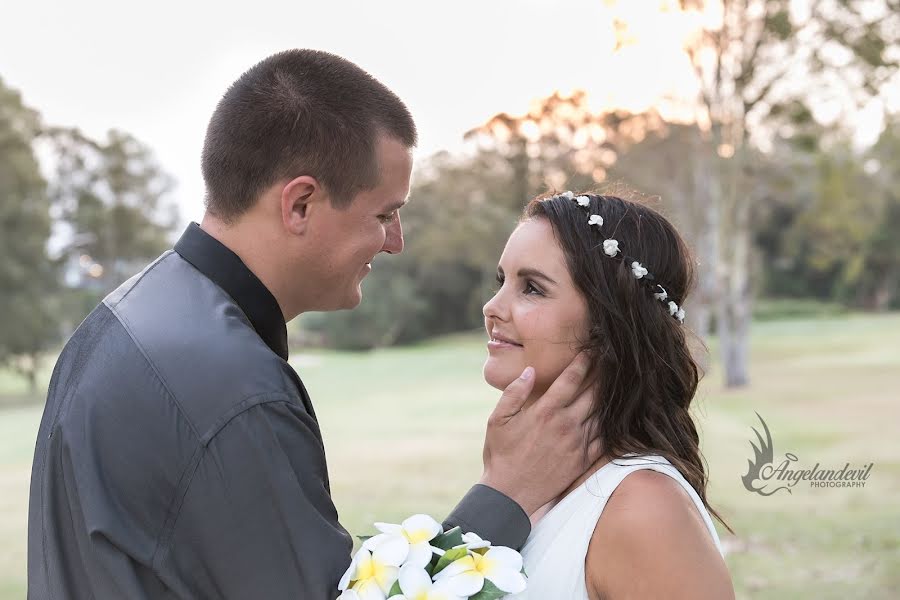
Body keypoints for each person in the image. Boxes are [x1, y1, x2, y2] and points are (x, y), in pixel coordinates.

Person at [26, 50, 600, 599]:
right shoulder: (232, 391)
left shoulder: (120, 317)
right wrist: (504, 495)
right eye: (385, 213)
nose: (395, 242)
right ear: (300, 204)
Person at [480, 191, 735, 599]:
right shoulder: (533, 483)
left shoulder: (645, 508)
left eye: (532, 288)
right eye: (502, 282)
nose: (492, 307)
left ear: (606, 323)